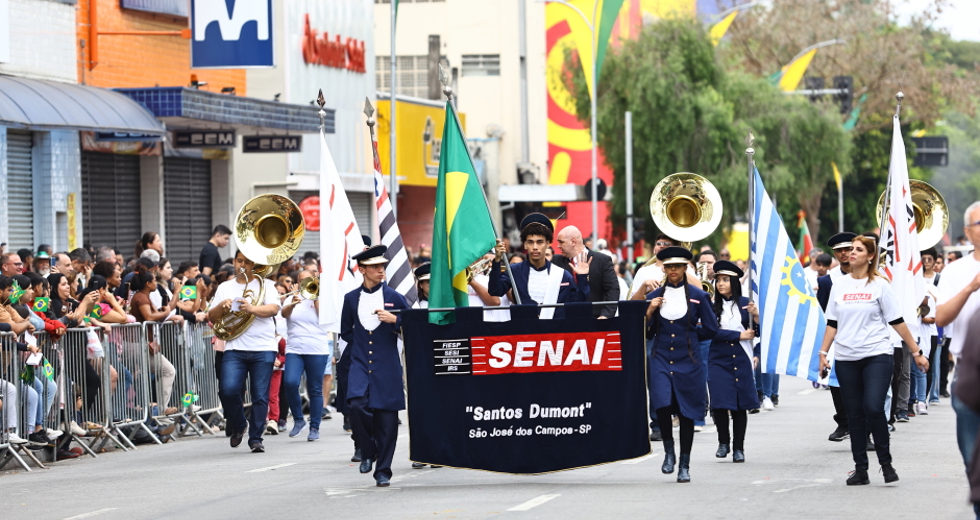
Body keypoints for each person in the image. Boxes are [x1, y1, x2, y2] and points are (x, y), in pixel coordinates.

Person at [818, 235, 929, 486]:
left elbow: (897, 321)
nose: (851, 253)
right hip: (846, 358)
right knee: (854, 414)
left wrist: (916, 352)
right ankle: (861, 469)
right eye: (850, 250)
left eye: (858, 249)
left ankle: (886, 464)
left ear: (870, 256)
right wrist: (823, 354)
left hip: (877, 355)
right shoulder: (840, 285)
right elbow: (832, 323)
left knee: (873, 407)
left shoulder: (880, 286)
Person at [643, 246, 719, 482]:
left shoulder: (700, 295)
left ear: (685, 267)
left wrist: (691, 333)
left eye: (677, 266)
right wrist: (649, 311)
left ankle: (684, 463)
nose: (673, 270)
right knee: (662, 405)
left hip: (690, 359)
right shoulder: (652, 298)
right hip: (661, 357)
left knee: (687, 412)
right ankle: (669, 453)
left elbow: (711, 329)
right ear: (663, 268)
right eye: (668, 266)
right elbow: (646, 334)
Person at [340, 245, 409, 487]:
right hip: (360, 363)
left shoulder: (394, 297)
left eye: (382, 266)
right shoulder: (350, 299)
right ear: (362, 270)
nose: (381, 270)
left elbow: (414, 327)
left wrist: (397, 321)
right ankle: (369, 450)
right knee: (357, 406)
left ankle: (383, 471)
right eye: (375, 267)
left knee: (387, 421)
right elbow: (346, 331)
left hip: (387, 366)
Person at [208, 251, 281, 453]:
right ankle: (240, 424)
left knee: (260, 395)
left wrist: (251, 309)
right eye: (239, 261)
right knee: (227, 390)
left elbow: (274, 309)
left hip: (263, 347)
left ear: (253, 264)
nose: (243, 265)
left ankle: (256, 438)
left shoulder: (266, 284)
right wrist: (222, 308)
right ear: (234, 262)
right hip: (235, 347)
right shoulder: (225, 287)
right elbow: (211, 316)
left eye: (247, 262)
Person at [936, 201, 980, 513]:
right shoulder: (955, 271)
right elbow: (940, 318)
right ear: (967, 232)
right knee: (972, 458)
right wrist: (971, 287)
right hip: (970, 372)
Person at [488, 213, 590, 319]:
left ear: (548, 243)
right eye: (530, 242)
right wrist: (497, 261)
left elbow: (577, 306)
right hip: (524, 332)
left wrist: (582, 278)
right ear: (525, 244)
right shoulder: (514, 271)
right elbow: (495, 291)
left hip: (555, 332)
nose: (535, 247)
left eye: (540, 242)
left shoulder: (562, 275)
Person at [708, 261, 759, 463]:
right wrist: (737, 336)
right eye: (718, 280)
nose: (721, 284)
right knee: (719, 402)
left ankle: (739, 448)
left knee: (739, 405)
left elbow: (758, 332)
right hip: (718, 359)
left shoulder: (747, 303)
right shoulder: (711, 307)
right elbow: (709, 332)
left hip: (742, 357)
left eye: (725, 280)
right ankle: (723, 442)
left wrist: (756, 316)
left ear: (735, 282)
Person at [816, 232, 857, 442]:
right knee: (835, 383)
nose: (844, 253)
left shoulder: (870, 275)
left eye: (848, 249)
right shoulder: (826, 281)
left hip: (862, 338)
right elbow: (822, 313)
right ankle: (843, 421)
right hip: (837, 339)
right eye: (839, 250)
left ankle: (864, 428)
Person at [281, 270, 331, 442]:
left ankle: (315, 426)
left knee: (314, 388)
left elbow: (323, 318)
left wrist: (315, 296)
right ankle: (298, 420)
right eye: (301, 280)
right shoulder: (291, 298)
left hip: (316, 349)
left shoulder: (322, 299)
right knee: (290, 382)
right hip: (295, 348)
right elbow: (284, 314)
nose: (304, 283)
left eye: (307, 280)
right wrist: (293, 303)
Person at [128, 266, 181, 416]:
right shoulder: (141, 297)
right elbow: (150, 317)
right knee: (168, 370)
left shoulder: (144, 297)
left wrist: (176, 294)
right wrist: (165, 312)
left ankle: (160, 410)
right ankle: (161, 411)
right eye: (154, 280)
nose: (156, 283)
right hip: (138, 344)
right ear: (147, 284)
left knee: (166, 371)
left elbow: (163, 312)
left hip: (142, 344)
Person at [554, 225, 620, 318]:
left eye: (561, 242)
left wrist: (606, 315)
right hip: (565, 319)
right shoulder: (555, 261)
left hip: (595, 318)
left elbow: (612, 289)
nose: (558, 246)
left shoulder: (602, 260)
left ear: (573, 242)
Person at [629, 234, 698, 298]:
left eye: (666, 244)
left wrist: (680, 271)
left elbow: (699, 289)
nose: (661, 246)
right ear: (654, 249)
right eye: (658, 244)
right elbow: (632, 303)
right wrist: (644, 286)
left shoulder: (685, 268)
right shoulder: (643, 271)